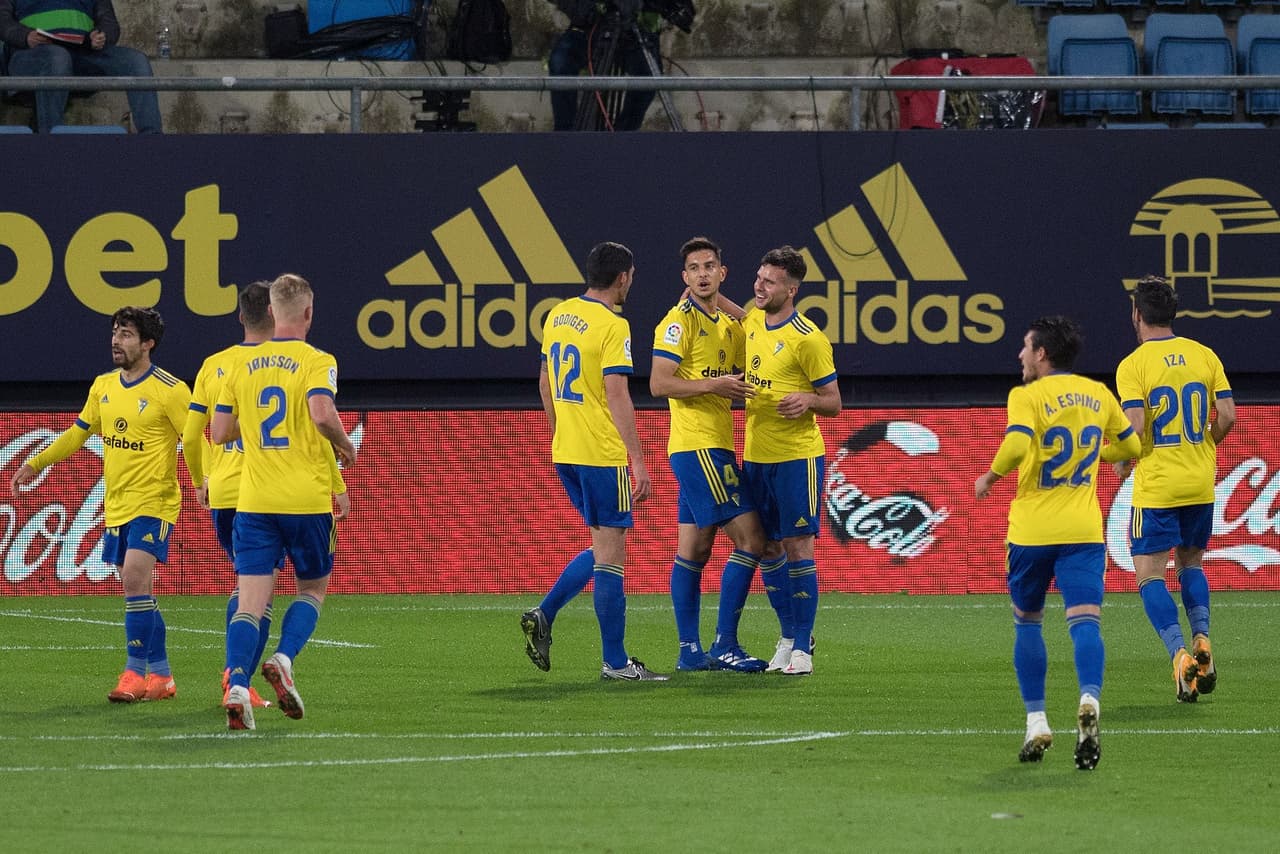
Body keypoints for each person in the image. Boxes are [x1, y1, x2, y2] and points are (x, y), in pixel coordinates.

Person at [975, 316, 1141, 771]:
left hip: (1032, 532)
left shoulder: (1027, 396)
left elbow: (1016, 444)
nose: (1020, 356)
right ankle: (1089, 698)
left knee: (1028, 624)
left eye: (1026, 348)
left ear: (1042, 354)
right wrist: (1097, 457)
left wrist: (990, 476)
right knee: (1085, 623)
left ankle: (1036, 720)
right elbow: (1132, 447)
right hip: (1084, 532)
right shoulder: (1100, 394)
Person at [10, 306, 194, 703]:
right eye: (115, 332)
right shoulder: (103, 386)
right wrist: (36, 462)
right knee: (139, 589)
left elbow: (195, 439)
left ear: (148, 344)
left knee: (132, 579)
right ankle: (162, 677)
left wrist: (204, 480)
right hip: (118, 504)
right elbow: (78, 434)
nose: (116, 340)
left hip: (156, 502)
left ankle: (133, 672)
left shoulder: (171, 390)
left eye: (126, 334)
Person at [182, 281, 350, 712]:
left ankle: (237, 684)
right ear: (308, 313)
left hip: (254, 503)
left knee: (250, 601)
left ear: (272, 313)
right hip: (305, 501)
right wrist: (345, 446)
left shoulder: (239, 365)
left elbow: (217, 433)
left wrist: (254, 424)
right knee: (312, 589)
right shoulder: (318, 360)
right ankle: (283, 657)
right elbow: (320, 412)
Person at [520, 241, 667, 681]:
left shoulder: (558, 314)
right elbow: (616, 392)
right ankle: (616, 663)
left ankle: (546, 614)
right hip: (602, 455)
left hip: (567, 451)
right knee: (612, 560)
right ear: (623, 277)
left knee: (604, 549)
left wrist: (557, 432)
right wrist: (637, 461)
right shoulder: (612, 325)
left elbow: (546, 382)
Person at [649, 236, 770, 672]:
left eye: (709, 266)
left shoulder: (728, 325)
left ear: (722, 272)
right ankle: (725, 644)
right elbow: (659, 383)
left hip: (710, 446)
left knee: (695, 550)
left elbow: (757, 331)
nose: (701, 274)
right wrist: (712, 386)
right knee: (753, 539)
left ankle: (689, 652)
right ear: (684, 278)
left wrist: (730, 307)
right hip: (699, 447)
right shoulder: (677, 324)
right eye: (694, 268)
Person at [1114, 275, 1235, 704]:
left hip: (1158, 486)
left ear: (1138, 314)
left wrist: (1121, 461)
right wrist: (1205, 445)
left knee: (1149, 575)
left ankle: (1181, 657)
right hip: (1200, 482)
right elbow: (1228, 414)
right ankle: (1202, 639)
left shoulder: (1133, 365)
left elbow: (1136, 427)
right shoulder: (1205, 355)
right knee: (1191, 565)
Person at [740, 246, 841, 676]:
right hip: (754, 456)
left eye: (770, 281)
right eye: (759, 277)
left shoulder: (809, 339)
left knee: (799, 547)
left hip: (797, 459)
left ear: (792, 289)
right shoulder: (750, 320)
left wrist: (809, 400)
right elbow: (731, 309)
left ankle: (803, 646)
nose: (760, 286)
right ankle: (787, 635)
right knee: (766, 548)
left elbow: (835, 403)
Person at [0, 0, 162, 134]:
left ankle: (152, 141)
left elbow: (109, 23)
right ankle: (49, 140)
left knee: (136, 61)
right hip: (29, 56)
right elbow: (2, 19)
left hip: (82, 54)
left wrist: (101, 36)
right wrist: (25, 36)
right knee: (57, 57)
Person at [546, 0, 659, 131]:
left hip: (629, 31)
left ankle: (623, 138)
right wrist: (579, 9)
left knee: (648, 75)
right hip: (586, 29)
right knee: (560, 62)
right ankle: (565, 136)